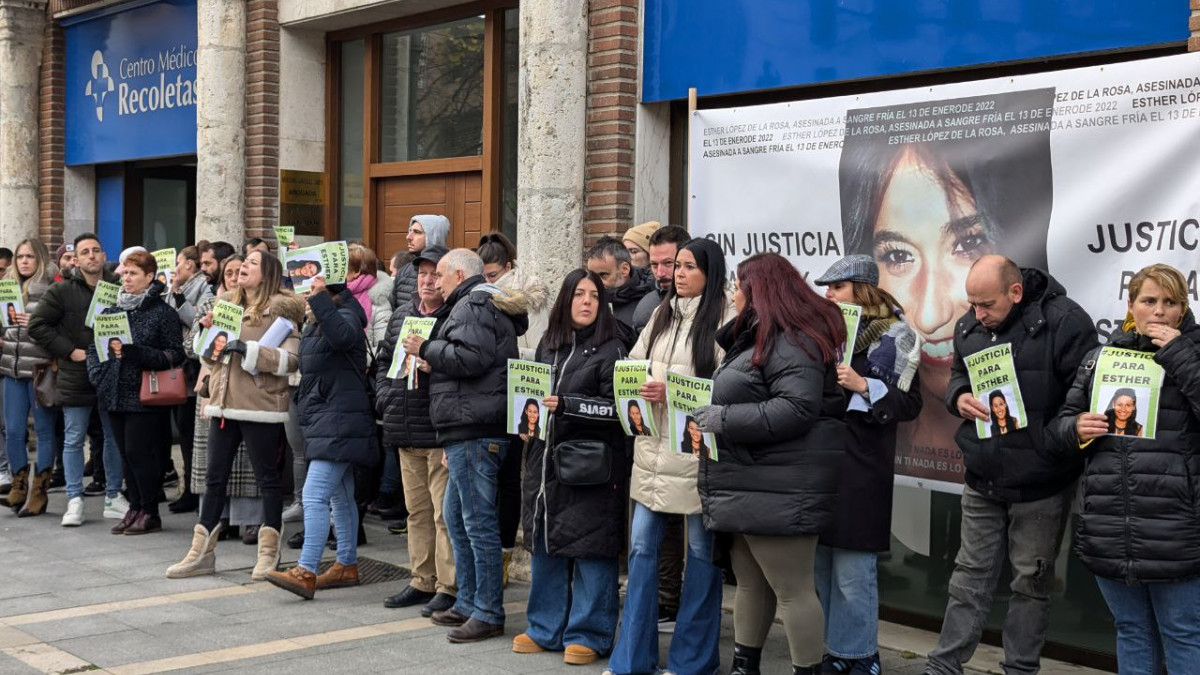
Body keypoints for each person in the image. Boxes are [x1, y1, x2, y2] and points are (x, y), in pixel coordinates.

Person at [923, 255, 1098, 675]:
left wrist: (1052, 442)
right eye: (972, 303)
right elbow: (959, 374)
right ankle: (944, 666)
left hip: (1042, 480)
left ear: (1015, 292)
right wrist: (959, 397)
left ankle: (1019, 669)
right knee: (968, 576)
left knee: (1030, 584)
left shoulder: (1066, 321)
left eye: (987, 304)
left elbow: (1087, 394)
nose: (977, 314)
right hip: (983, 473)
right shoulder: (969, 325)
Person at [687, 252, 847, 675]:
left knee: (792, 590)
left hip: (780, 485)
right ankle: (745, 667)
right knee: (751, 584)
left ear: (757, 292)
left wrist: (723, 418)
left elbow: (797, 408)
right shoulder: (758, 336)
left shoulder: (793, 340)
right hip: (749, 480)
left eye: (737, 286)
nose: (732, 294)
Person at [1049, 264, 1200, 674]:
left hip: (1175, 526)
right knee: (1131, 629)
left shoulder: (1194, 352)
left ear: (1184, 309)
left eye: (1170, 302)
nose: (1159, 311)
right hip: (1111, 522)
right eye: (1149, 300)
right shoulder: (1101, 358)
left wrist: (1179, 353)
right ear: (1131, 305)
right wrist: (1075, 428)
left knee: (1182, 633)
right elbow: (1060, 428)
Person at [606, 238, 735, 675]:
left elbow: (726, 387)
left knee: (701, 558)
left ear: (710, 273)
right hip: (651, 454)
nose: (678, 274)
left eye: (689, 267)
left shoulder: (725, 319)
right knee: (642, 551)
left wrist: (669, 388)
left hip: (697, 457)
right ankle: (631, 660)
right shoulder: (661, 313)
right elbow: (633, 363)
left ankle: (692, 663)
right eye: (677, 266)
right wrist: (633, 384)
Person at [404, 248, 527, 643]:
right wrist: (436, 360)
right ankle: (469, 601)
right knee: (456, 517)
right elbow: (471, 358)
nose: (435, 283)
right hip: (466, 426)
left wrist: (425, 348)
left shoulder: (472, 304)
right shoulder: (475, 303)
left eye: (440, 275)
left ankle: (488, 611)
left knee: (477, 522)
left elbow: (472, 358)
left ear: (459, 274)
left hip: (475, 427)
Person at [812, 254, 923, 675]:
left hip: (862, 465)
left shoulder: (898, 334)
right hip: (823, 459)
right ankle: (834, 651)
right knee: (822, 565)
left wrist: (865, 386)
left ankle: (861, 655)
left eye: (837, 287)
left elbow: (909, 404)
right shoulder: (827, 334)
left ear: (861, 290)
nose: (829, 295)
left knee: (853, 569)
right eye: (827, 287)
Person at [511, 269, 628, 665]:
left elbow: (618, 411)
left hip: (589, 467)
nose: (586, 301)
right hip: (544, 461)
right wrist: (525, 422)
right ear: (565, 300)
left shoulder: (612, 349)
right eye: (578, 294)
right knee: (545, 543)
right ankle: (544, 627)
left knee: (591, 548)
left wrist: (568, 405)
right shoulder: (550, 344)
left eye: (594, 295)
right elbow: (534, 397)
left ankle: (590, 633)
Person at [166, 250, 304, 580]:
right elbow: (208, 357)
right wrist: (206, 333)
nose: (243, 268)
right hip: (224, 404)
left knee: (266, 478)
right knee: (214, 479)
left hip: (260, 405)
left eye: (252, 264)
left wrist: (249, 350)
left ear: (268, 274)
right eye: (243, 263)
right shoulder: (226, 306)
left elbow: (291, 361)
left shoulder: (282, 313)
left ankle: (269, 553)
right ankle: (201, 553)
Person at [267, 274, 376, 598]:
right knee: (340, 497)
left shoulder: (345, 316)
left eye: (312, 291)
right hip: (329, 419)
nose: (306, 296)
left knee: (314, 496)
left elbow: (342, 337)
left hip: (339, 421)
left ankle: (307, 570)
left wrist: (320, 300)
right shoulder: (319, 320)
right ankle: (346, 564)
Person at [376, 244, 458, 617]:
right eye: (422, 274)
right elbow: (383, 360)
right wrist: (384, 397)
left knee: (443, 514)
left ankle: (447, 585)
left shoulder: (453, 317)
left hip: (438, 428)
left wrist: (433, 366)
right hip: (404, 425)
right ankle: (421, 579)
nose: (427, 281)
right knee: (417, 512)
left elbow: (464, 366)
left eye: (434, 274)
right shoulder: (402, 315)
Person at [28, 233, 129, 527]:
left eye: (96, 250)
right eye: (85, 252)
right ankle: (75, 499)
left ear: (104, 255)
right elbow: (37, 325)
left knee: (112, 437)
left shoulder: (118, 288)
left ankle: (113, 496)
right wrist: (69, 350)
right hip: (76, 373)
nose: (91, 256)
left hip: (111, 371)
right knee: (74, 438)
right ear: (75, 259)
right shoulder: (62, 291)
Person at [86, 250, 185, 534]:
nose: (126, 278)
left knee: (138, 453)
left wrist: (136, 353)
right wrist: (97, 375)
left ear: (149, 276)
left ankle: (150, 511)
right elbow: (94, 347)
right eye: (124, 273)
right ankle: (135, 507)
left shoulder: (163, 312)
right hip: (113, 391)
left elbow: (174, 354)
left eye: (133, 273)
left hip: (145, 394)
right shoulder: (111, 310)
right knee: (125, 454)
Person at [182, 254, 264, 539]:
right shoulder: (211, 305)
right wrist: (206, 330)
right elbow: (190, 348)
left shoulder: (257, 307)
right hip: (212, 388)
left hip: (246, 388)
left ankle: (250, 520)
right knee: (213, 460)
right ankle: (219, 518)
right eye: (228, 272)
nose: (233, 277)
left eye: (239, 271)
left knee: (247, 461)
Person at [1, 238, 59, 517]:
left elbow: (62, 333)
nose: (24, 261)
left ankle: (39, 492)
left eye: (30, 256)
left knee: (45, 431)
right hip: (11, 370)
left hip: (40, 371)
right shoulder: (7, 287)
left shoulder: (53, 290)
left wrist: (35, 325)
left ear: (41, 259)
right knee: (13, 431)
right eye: (20, 256)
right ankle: (18, 486)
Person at [164, 245, 214, 514]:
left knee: (191, 432)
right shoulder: (177, 288)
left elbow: (196, 321)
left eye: (178, 263)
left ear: (189, 265)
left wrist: (180, 300)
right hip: (180, 368)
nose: (175, 269)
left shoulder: (203, 288)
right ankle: (188, 488)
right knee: (183, 430)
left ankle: (195, 490)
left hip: (194, 367)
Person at [478, 232, 549, 360]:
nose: (487, 281)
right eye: (483, 276)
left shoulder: (531, 295)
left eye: (492, 275)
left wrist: (500, 352)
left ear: (508, 266)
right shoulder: (477, 295)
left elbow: (541, 353)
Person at [585, 236, 655, 342]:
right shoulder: (587, 302)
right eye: (592, 276)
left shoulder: (649, 302)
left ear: (624, 269)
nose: (596, 283)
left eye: (603, 275)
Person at [632, 225, 690, 336]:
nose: (660, 273)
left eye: (668, 263)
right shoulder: (646, 308)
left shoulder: (717, 304)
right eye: (654, 265)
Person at [346, 244, 394, 361]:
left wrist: (358, 361)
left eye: (343, 267)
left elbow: (382, 348)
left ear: (356, 271)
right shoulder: (335, 294)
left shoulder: (379, 302)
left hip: (360, 368)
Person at [392, 215, 450, 312]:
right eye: (410, 231)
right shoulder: (403, 272)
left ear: (434, 236)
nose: (408, 237)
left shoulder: (451, 271)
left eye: (417, 232)